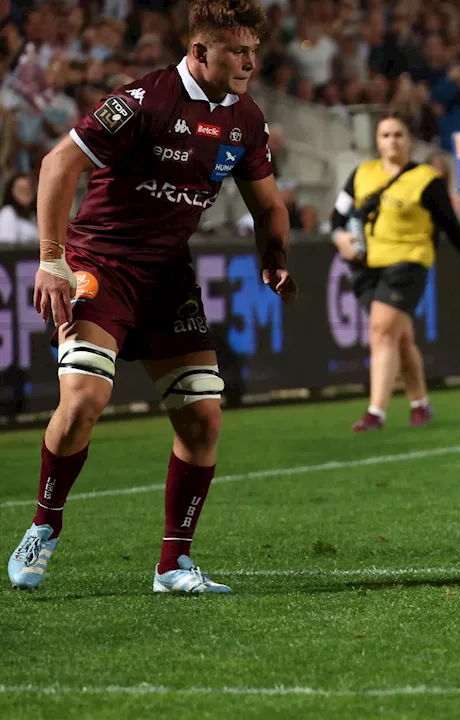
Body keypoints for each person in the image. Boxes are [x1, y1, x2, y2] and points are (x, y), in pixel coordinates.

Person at [8, 0, 298, 594]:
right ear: (200, 51)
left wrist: (274, 261)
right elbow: (58, 163)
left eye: (252, 51)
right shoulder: (145, 99)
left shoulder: (246, 120)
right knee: (85, 398)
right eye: (235, 51)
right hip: (100, 265)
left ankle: (174, 564)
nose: (248, 62)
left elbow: (268, 205)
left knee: (203, 418)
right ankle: (44, 523)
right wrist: (52, 259)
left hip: (167, 277)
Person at [330, 113, 460, 432]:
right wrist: (339, 238)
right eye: (385, 135)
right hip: (366, 266)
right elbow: (337, 217)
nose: (392, 141)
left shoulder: (427, 179)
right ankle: (421, 404)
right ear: (377, 141)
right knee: (400, 340)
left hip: (409, 261)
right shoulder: (362, 173)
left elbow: (453, 227)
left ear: (409, 140)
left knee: (382, 331)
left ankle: (375, 412)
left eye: (398, 135)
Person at [0, 173, 38, 244]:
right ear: (11, 192)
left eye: (28, 189)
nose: (25, 193)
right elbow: (6, 247)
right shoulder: (8, 213)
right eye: (21, 189)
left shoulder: (33, 216)